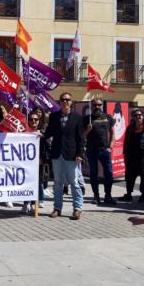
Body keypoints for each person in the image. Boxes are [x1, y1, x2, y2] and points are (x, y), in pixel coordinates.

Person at [45, 92, 85, 220]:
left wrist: (80, 154)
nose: (65, 102)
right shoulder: (53, 116)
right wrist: (39, 135)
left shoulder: (77, 118)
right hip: (57, 154)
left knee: (74, 183)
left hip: (72, 155)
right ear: (59, 102)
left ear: (71, 102)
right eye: (63, 99)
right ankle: (57, 208)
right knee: (57, 183)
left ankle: (77, 209)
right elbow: (49, 132)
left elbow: (81, 138)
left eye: (68, 100)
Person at [83, 98, 117, 205]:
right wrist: (87, 130)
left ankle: (108, 195)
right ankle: (96, 196)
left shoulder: (108, 117)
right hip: (92, 150)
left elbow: (112, 132)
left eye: (99, 105)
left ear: (102, 105)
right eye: (95, 105)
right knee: (94, 174)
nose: (97, 107)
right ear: (91, 106)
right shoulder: (87, 119)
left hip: (105, 150)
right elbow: (81, 136)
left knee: (109, 174)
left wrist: (110, 146)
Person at [121, 109, 144, 202]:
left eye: (139, 115)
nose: (138, 117)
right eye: (135, 115)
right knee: (130, 176)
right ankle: (128, 194)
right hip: (131, 157)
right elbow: (126, 141)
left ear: (143, 116)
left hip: (143, 158)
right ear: (133, 118)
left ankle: (143, 195)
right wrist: (125, 154)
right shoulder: (130, 128)